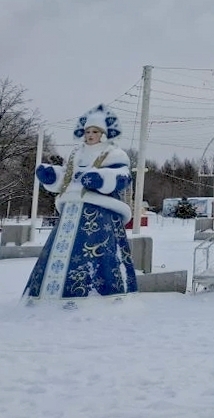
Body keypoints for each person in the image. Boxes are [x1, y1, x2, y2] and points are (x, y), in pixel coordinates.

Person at [24, 104, 138, 303]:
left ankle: (101, 296)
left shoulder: (114, 154)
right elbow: (69, 180)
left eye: (95, 131)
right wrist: (52, 176)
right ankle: (50, 294)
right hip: (70, 212)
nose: (90, 135)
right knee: (59, 254)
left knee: (99, 252)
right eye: (87, 131)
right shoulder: (77, 153)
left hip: (100, 214)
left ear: (103, 134)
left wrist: (101, 179)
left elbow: (123, 176)